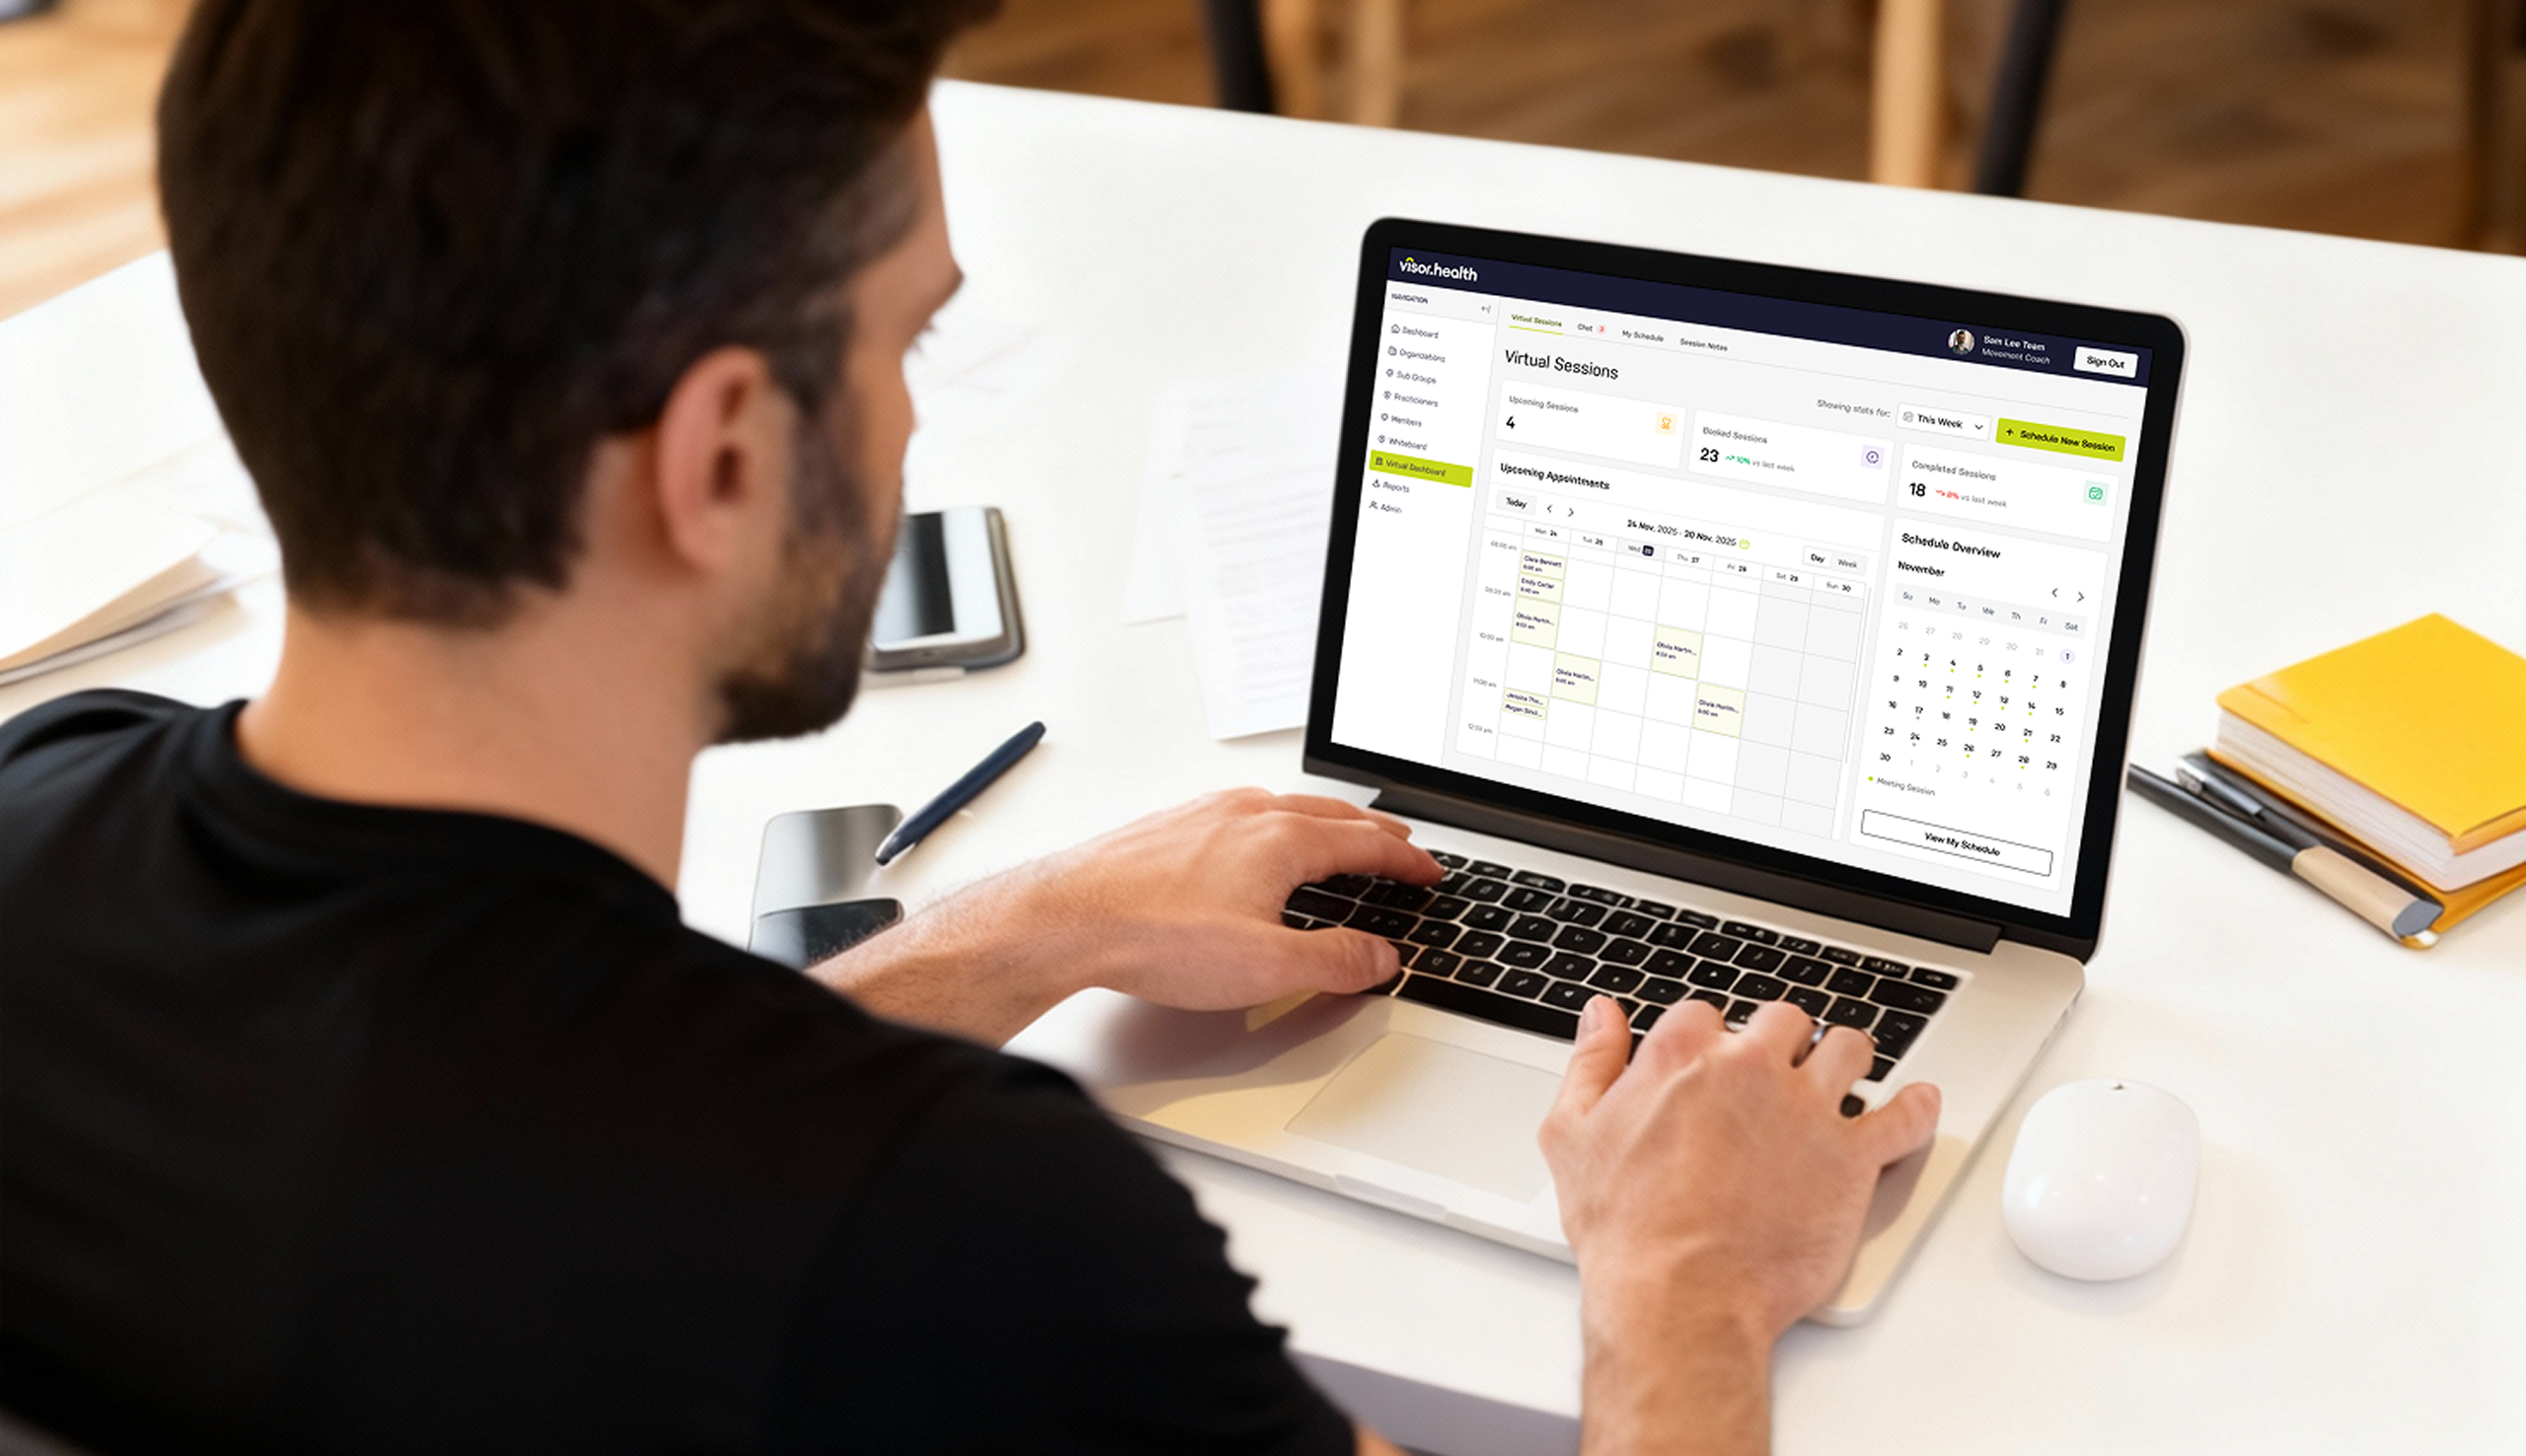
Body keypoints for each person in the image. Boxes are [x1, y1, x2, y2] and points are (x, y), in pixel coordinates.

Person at [0, 2, 1940, 1451]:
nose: (916, 427)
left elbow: (531, 1185)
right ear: (725, 453)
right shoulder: (962, 1242)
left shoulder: (34, 822)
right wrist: (1687, 1282)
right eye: (902, 344)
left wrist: (1012, 934)